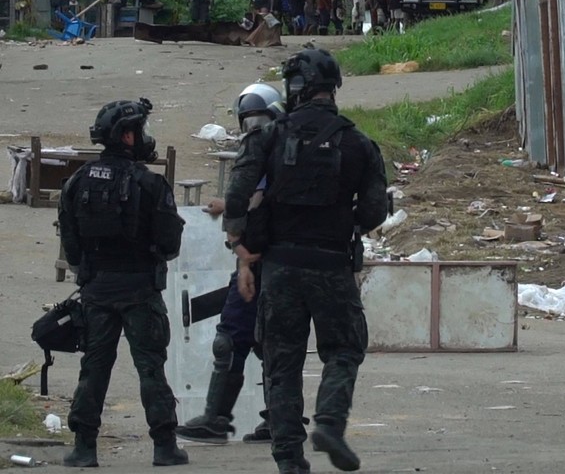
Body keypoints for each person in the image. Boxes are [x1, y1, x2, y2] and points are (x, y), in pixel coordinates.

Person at [222, 48, 388, 474]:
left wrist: (239, 243)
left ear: (295, 87)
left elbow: (238, 193)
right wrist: (342, 221)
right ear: (333, 89)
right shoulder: (358, 142)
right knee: (345, 349)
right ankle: (330, 421)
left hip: (279, 267)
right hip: (332, 264)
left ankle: (289, 460)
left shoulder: (271, 136)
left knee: (281, 363)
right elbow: (373, 212)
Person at [58, 98, 189, 468]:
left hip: (97, 289)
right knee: (150, 367)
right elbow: (169, 244)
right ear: (128, 135)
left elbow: (70, 244)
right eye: (141, 130)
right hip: (139, 291)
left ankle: (84, 448)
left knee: (94, 368)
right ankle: (164, 446)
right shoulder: (150, 183)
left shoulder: (78, 180)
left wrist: (91, 271)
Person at [176, 84, 286, 446]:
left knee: (236, 337)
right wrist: (232, 206)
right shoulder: (290, 151)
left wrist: (238, 241)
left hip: (259, 258)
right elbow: (260, 197)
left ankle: (218, 419)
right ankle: (276, 419)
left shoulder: (276, 152)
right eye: (248, 121)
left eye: (258, 119)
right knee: (271, 340)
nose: (253, 128)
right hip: (286, 259)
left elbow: (259, 199)